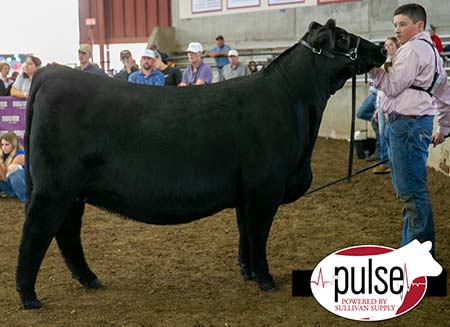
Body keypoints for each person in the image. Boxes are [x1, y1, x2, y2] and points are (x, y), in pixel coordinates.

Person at [370, 3, 450, 256]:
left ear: (419, 26)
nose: (398, 29)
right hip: (415, 125)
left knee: (411, 193)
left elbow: (391, 87)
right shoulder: (432, 52)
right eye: (395, 25)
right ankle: (411, 250)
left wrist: (371, 67)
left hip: (406, 125)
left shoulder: (412, 49)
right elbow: (444, 94)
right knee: (411, 191)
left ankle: (418, 258)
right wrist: (444, 127)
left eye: (403, 24)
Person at [372, 37, 400, 174]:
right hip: (383, 102)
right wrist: (378, 107)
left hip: (393, 104)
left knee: (389, 134)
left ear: (396, 46)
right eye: (386, 45)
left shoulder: (399, 62)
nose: (387, 47)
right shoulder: (386, 62)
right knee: (384, 134)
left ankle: (390, 162)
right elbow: (380, 89)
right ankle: (386, 161)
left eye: (390, 45)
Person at [356, 83, 379, 161]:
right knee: (360, 113)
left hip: (379, 94)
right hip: (373, 93)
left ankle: (378, 152)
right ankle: (377, 119)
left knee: (377, 127)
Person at [0, 132, 26, 202]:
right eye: (2, 145)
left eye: (7, 145)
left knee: (14, 171)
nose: (4, 147)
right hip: (12, 189)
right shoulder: (4, 156)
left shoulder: (21, 154)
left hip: (24, 186)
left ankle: (26, 198)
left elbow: (8, 175)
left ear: (14, 145)